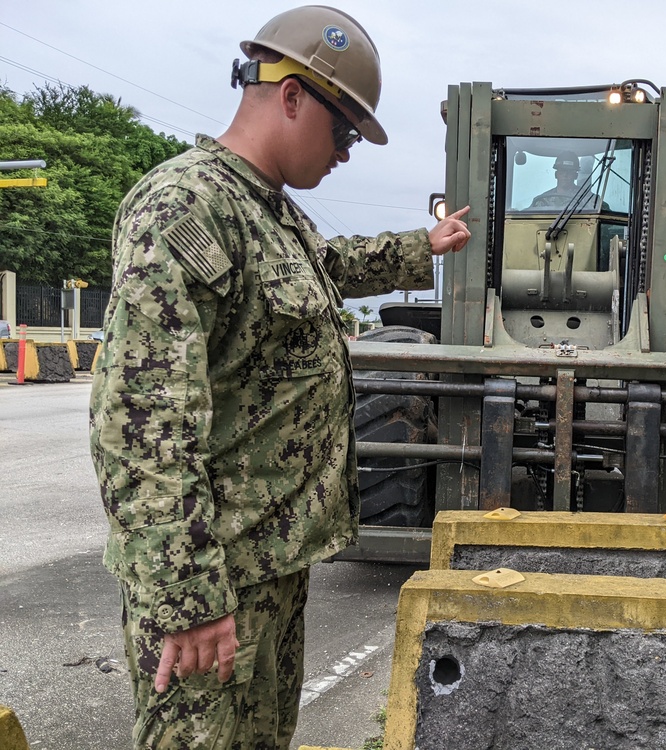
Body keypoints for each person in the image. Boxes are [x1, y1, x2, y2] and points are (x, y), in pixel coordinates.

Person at [88, 6, 470, 748]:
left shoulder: (272, 216)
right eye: (346, 131)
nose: (349, 152)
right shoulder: (185, 206)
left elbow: (329, 267)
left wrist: (419, 247)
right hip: (213, 578)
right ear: (291, 95)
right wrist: (188, 599)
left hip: (269, 565)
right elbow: (143, 424)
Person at [529, 151, 608, 211]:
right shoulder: (541, 200)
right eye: (562, 171)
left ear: (575, 176)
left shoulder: (587, 198)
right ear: (556, 174)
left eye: (570, 171)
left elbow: (604, 214)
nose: (565, 175)